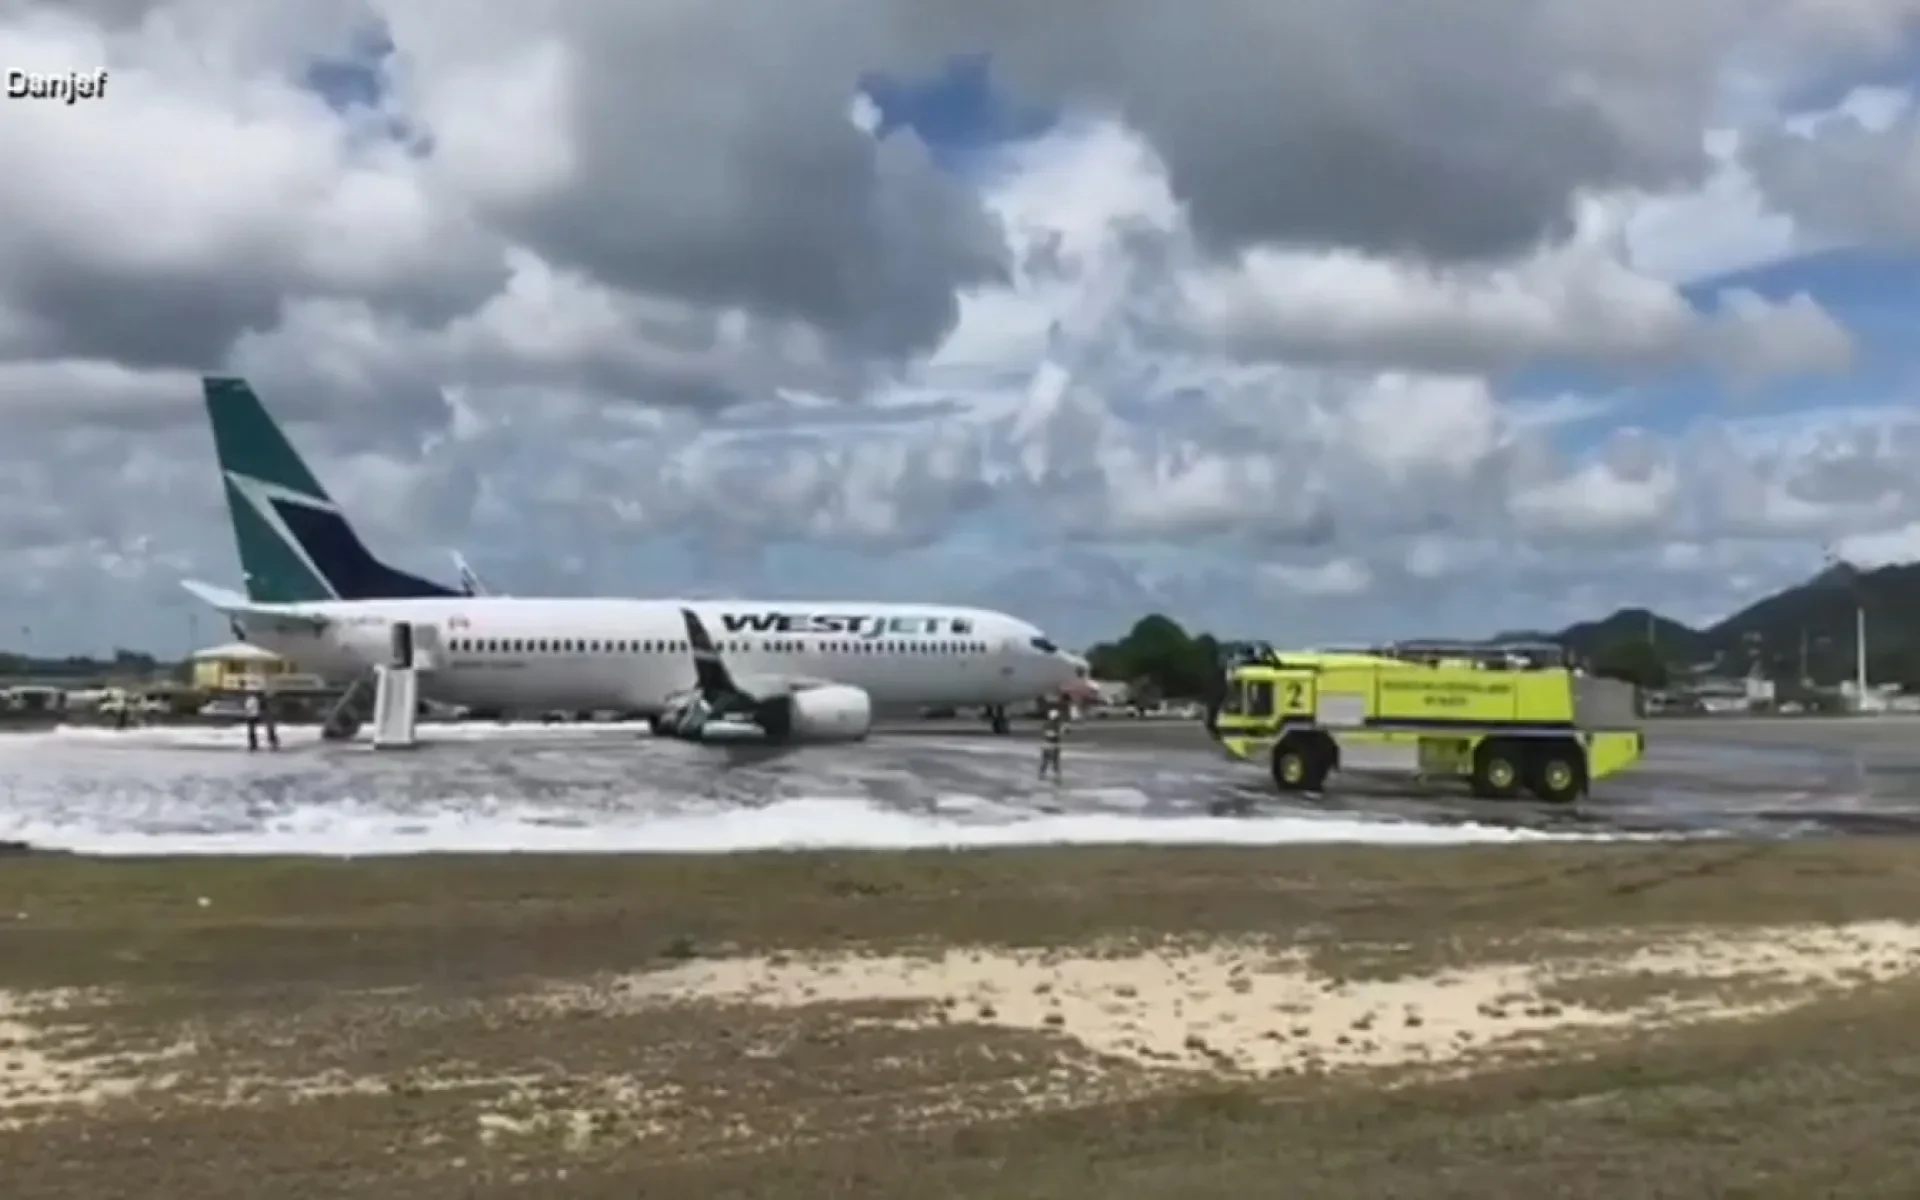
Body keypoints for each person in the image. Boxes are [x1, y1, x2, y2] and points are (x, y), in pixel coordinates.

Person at [1038, 697, 1066, 782]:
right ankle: (1055, 775)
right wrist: (1059, 733)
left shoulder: (1048, 724)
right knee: (1054, 761)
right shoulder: (1052, 724)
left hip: (1046, 745)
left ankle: (1043, 774)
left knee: (1046, 761)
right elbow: (1050, 734)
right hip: (1052, 745)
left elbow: (1045, 733)